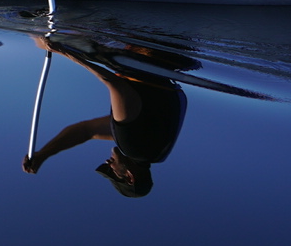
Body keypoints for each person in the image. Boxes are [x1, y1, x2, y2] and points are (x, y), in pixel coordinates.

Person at [21, 33, 187, 197]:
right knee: (42, 42)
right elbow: (114, 83)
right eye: (111, 171)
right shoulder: (133, 147)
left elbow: (86, 131)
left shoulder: (151, 146)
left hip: (172, 58)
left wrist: (43, 155)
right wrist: (64, 52)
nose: (108, 163)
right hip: (144, 55)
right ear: (129, 177)